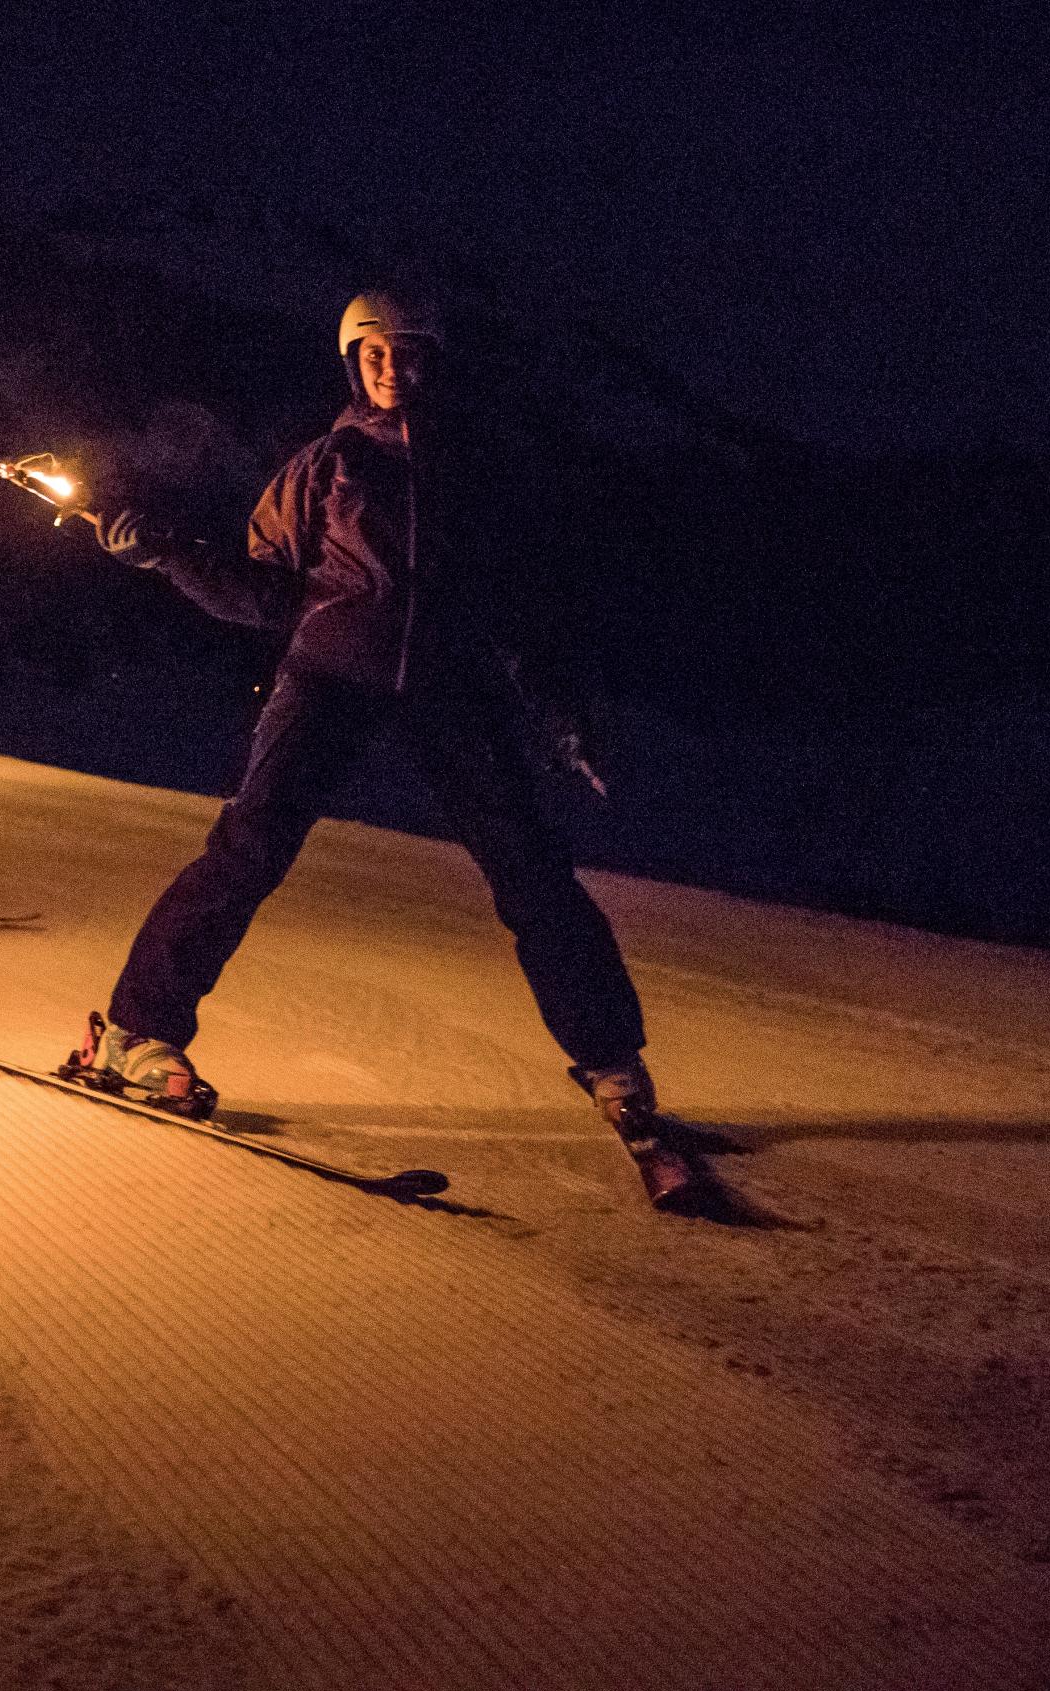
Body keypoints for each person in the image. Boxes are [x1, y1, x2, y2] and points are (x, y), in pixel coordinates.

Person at [75, 292, 699, 1209]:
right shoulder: (323, 465)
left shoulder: (474, 473)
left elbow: (518, 613)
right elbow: (267, 592)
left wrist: (562, 717)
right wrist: (165, 553)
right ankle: (136, 1032)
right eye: (373, 352)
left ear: (432, 361)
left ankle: (614, 1064)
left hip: (449, 688)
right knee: (249, 852)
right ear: (351, 361)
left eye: (406, 352)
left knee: (531, 872)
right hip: (325, 676)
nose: (391, 367)